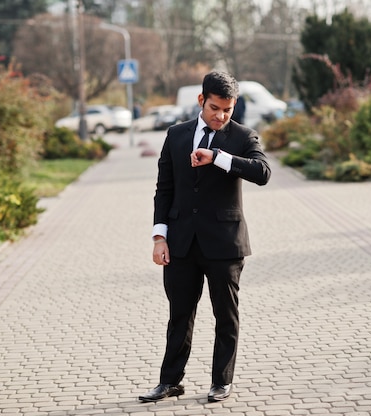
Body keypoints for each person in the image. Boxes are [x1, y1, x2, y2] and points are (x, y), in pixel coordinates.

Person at [139, 71, 271, 403]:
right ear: (201, 100)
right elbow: (164, 190)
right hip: (181, 243)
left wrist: (218, 158)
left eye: (228, 109)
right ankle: (170, 381)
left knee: (225, 316)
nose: (221, 115)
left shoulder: (243, 136)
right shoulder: (177, 135)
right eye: (215, 108)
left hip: (224, 245)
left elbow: (262, 172)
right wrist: (159, 237)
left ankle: (221, 382)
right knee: (179, 316)